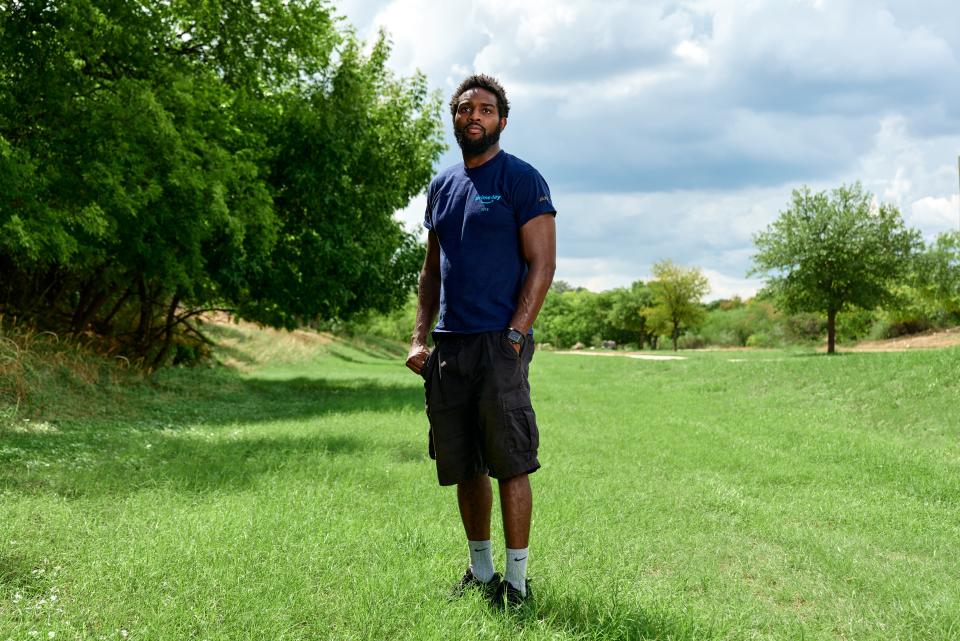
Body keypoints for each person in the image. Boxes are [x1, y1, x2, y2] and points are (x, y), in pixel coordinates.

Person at [405, 73, 556, 608]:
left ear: (502, 121)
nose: (475, 116)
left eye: (486, 109)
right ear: (455, 119)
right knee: (464, 462)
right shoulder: (443, 186)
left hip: (499, 342)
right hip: (450, 347)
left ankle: (516, 583)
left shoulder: (522, 179)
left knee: (510, 460)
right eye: (465, 108)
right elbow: (431, 273)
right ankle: (481, 571)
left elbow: (543, 263)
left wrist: (516, 333)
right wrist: (420, 338)